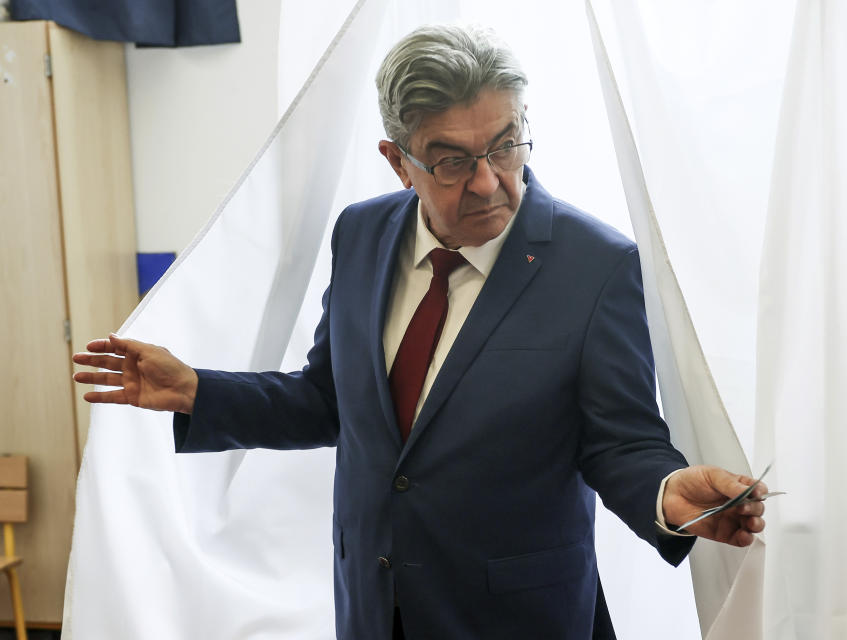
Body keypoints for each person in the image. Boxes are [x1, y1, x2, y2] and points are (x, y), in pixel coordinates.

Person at [73, 24, 766, 640]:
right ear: (397, 160)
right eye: (453, 161)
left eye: (506, 145)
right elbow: (330, 399)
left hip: (518, 618)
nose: (491, 182)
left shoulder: (597, 265)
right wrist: (197, 390)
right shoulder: (362, 235)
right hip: (376, 605)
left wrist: (664, 492)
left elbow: (619, 438)